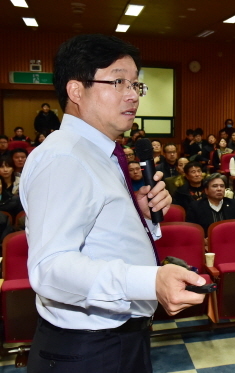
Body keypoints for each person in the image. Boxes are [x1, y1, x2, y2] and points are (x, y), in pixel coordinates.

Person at [22, 34, 205, 373]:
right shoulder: (65, 158)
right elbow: (51, 268)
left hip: (117, 337)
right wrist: (149, 282)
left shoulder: (99, 152)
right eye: (119, 81)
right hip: (89, 349)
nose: (133, 95)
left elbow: (101, 233)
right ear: (76, 91)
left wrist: (141, 213)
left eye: (136, 84)